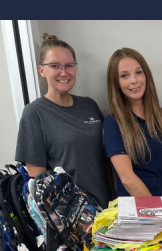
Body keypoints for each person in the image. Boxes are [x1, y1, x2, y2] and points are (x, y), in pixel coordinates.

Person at [16, 33, 112, 206]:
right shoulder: (34, 113)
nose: (63, 72)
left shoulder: (89, 106)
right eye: (55, 66)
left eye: (69, 65)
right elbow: (38, 182)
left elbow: (105, 162)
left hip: (105, 209)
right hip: (70, 220)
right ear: (42, 70)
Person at [103, 48, 162, 218]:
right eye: (124, 75)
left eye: (138, 72)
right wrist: (159, 214)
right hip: (132, 216)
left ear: (146, 76)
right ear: (116, 82)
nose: (134, 80)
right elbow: (127, 179)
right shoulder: (113, 123)